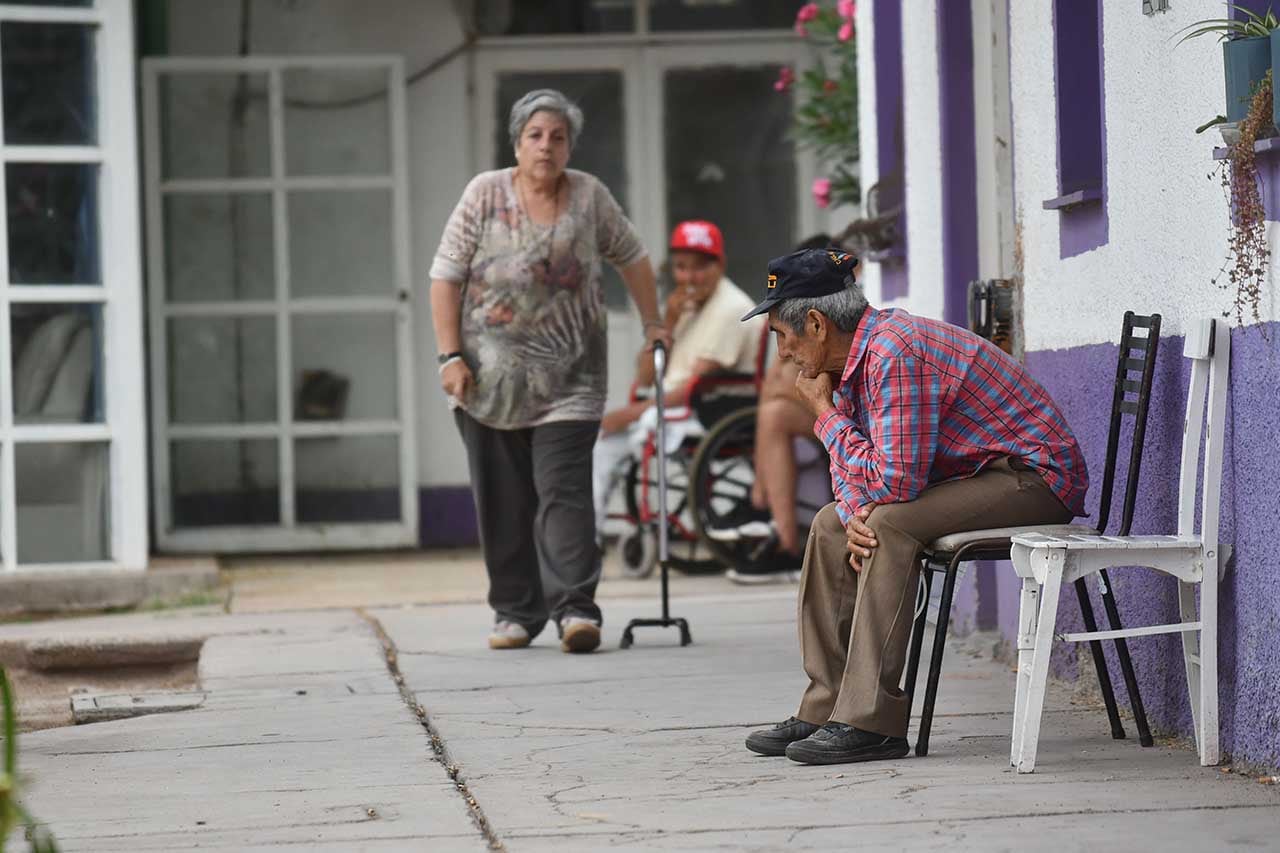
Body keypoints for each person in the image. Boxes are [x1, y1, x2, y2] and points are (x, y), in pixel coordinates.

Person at [739, 249, 1088, 765]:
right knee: (832, 524)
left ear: (814, 324)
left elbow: (896, 483)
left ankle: (871, 721)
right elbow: (859, 469)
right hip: (975, 477)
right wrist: (853, 511)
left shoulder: (892, 353)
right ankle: (827, 703)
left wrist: (820, 412)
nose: (784, 353)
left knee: (891, 523)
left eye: (781, 335)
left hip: (1033, 478)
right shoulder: (853, 358)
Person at [429, 89, 668, 655]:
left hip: (572, 381)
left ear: (570, 146)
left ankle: (575, 610)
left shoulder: (589, 196)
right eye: (536, 135)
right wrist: (449, 357)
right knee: (503, 499)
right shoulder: (484, 194)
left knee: (563, 493)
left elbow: (632, 256)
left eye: (557, 137)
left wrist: (654, 322)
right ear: (517, 142)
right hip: (488, 382)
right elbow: (445, 278)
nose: (546, 146)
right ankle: (515, 612)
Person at [592, 220, 764, 536]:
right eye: (681, 268)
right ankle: (588, 536)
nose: (689, 278)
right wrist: (667, 322)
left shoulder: (730, 308)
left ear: (719, 265)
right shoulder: (682, 306)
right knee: (600, 443)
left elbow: (694, 388)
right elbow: (645, 376)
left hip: (710, 407)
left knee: (620, 430)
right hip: (673, 405)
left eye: (699, 268)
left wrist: (628, 414)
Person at [707, 233, 835, 585]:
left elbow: (802, 383)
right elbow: (776, 378)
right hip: (809, 405)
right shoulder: (797, 312)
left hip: (837, 410)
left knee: (774, 409)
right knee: (772, 404)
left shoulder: (825, 314)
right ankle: (769, 511)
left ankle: (785, 540)